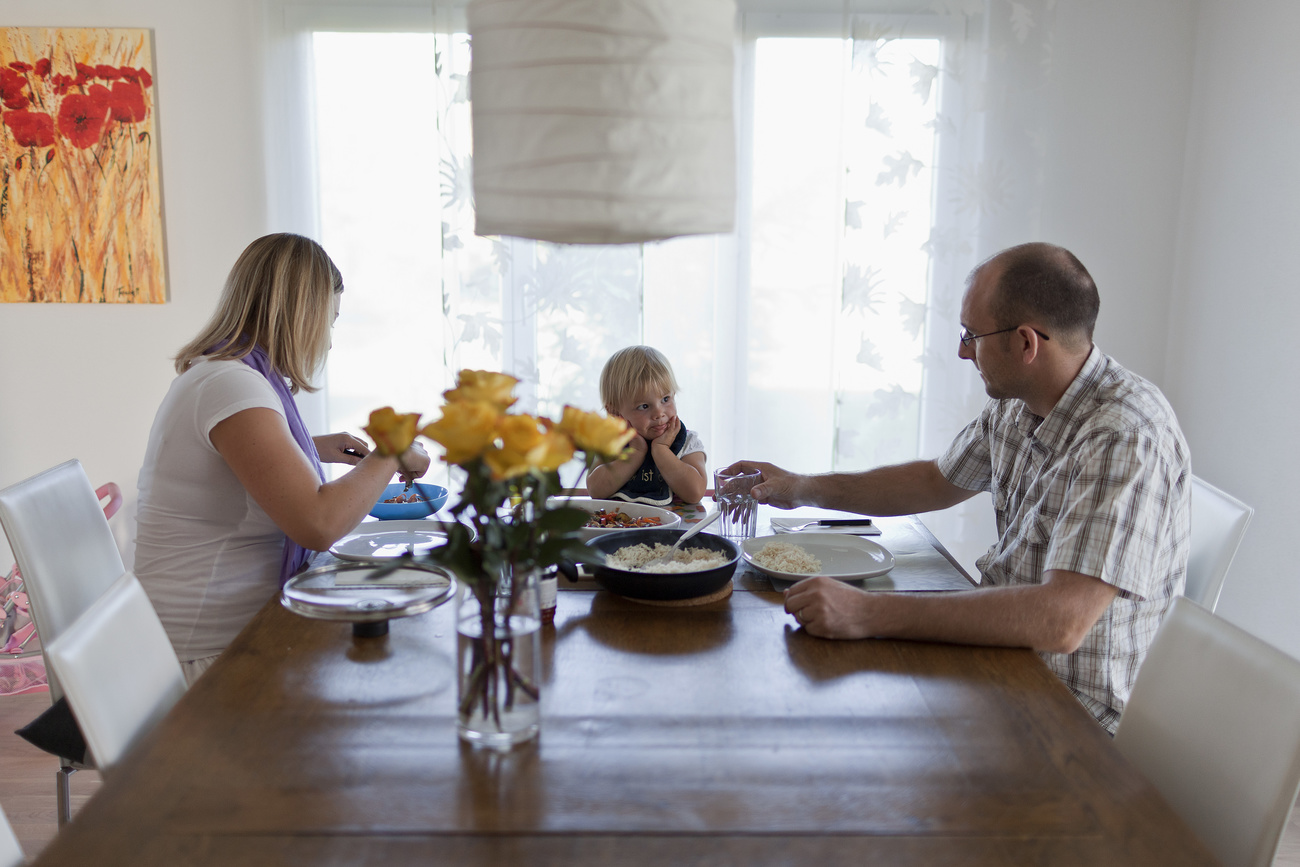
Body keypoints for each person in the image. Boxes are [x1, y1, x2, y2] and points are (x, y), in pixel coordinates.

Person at [729, 242, 1189, 733]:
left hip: (1072, 715)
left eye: (972, 335)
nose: (961, 350)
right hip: (1004, 664)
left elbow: (1061, 621)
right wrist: (798, 487)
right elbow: (934, 481)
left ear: (1026, 343)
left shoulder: (1125, 435)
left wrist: (869, 613)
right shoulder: (1019, 401)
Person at [133, 233, 430, 684]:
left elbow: (228, 465)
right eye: (329, 320)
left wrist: (308, 445)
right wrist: (389, 452)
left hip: (229, 630)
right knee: (405, 662)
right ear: (301, 315)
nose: (329, 340)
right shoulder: (229, 385)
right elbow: (318, 523)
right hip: (206, 662)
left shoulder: (223, 376)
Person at [586, 345, 708, 506]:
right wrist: (636, 452)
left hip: (675, 531)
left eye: (665, 399)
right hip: (623, 528)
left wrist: (661, 450)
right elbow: (595, 490)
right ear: (615, 413)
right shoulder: (612, 443)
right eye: (644, 406)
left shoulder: (686, 442)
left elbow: (695, 492)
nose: (659, 413)